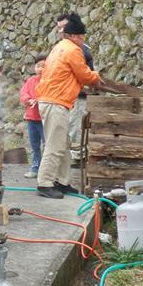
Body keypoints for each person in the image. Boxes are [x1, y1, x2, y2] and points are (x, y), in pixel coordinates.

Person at [35, 15, 102, 199]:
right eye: (81, 37)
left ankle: (62, 181)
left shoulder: (59, 47)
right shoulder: (72, 50)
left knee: (63, 144)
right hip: (55, 101)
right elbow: (84, 75)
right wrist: (96, 77)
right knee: (55, 146)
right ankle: (45, 182)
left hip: (53, 100)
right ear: (74, 36)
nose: (83, 41)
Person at [56, 12, 95, 164]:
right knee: (71, 127)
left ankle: (78, 158)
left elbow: (86, 74)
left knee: (76, 127)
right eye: (59, 28)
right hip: (66, 95)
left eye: (63, 27)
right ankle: (75, 156)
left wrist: (93, 81)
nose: (61, 31)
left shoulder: (80, 49)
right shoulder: (63, 47)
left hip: (79, 95)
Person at [20, 54, 47, 179]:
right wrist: (29, 100)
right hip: (32, 119)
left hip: (44, 119)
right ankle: (35, 168)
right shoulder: (31, 81)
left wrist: (38, 99)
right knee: (34, 145)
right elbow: (23, 94)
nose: (40, 69)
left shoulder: (49, 81)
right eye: (38, 66)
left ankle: (46, 171)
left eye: (43, 66)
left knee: (46, 145)